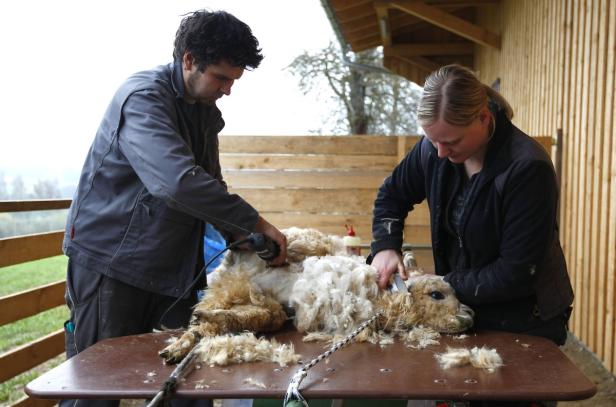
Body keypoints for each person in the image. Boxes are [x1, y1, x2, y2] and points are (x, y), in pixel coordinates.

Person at [61, 10, 287, 407]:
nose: (228, 89)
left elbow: (209, 182)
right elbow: (176, 181)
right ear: (188, 59)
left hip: (170, 266)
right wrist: (253, 220)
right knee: (96, 387)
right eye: (221, 77)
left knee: (188, 381)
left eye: (234, 80)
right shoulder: (143, 98)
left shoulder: (203, 112)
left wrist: (238, 233)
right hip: (111, 264)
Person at [370, 65, 573, 406]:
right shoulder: (432, 150)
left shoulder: (527, 168)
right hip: (466, 305)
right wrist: (385, 246)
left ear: (483, 118)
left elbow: (517, 273)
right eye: (432, 140)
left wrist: (442, 282)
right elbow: (392, 196)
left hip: (525, 318)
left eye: (450, 141)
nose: (440, 153)